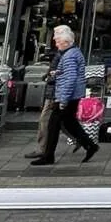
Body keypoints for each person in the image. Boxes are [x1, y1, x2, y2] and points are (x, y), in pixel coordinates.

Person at [31, 25, 97, 166]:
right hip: (73, 95)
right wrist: (57, 73)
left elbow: (70, 79)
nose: (55, 41)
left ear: (65, 42)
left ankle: (48, 156)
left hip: (68, 96)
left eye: (57, 40)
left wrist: (63, 100)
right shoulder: (73, 53)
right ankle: (89, 145)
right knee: (69, 122)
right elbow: (70, 74)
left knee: (53, 124)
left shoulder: (68, 56)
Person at [23, 45, 62, 160]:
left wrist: (49, 78)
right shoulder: (63, 54)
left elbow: (61, 74)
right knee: (64, 122)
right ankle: (83, 141)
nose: (55, 39)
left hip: (54, 93)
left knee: (45, 120)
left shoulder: (64, 55)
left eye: (57, 36)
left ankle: (42, 149)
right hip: (54, 93)